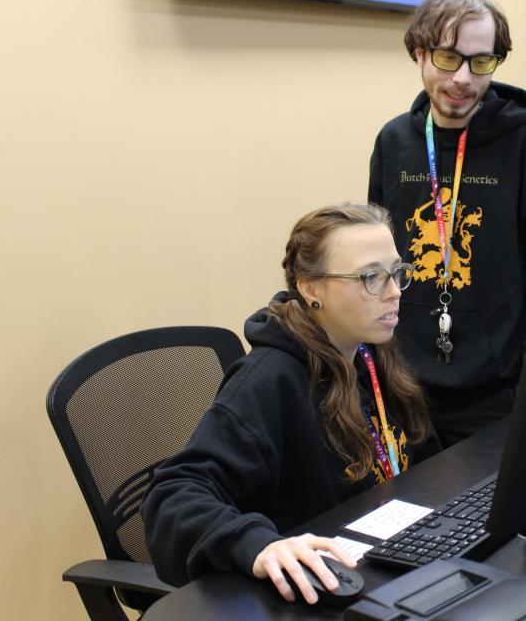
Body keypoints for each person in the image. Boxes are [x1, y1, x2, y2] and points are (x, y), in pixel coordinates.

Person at [142, 204, 440, 604]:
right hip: (313, 595)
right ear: (311, 287)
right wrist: (258, 544)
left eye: (396, 273)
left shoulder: (373, 353)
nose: (393, 291)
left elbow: (426, 461)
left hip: (383, 562)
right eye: (371, 277)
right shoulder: (269, 379)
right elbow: (172, 495)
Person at [368, 0, 526, 447]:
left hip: (496, 396)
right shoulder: (393, 142)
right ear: (420, 53)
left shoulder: (524, 142)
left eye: (481, 62)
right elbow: (377, 262)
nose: (463, 77)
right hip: (406, 390)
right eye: (448, 58)